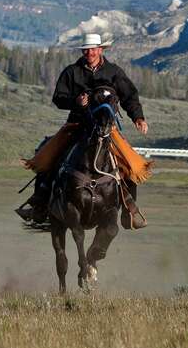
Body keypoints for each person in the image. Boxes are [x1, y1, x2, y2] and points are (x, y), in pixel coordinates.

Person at [16, 33, 150, 227]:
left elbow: (129, 96)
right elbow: (58, 98)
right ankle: (39, 203)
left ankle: (130, 209)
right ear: (83, 51)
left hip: (106, 129)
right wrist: (75, 102)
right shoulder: (72, 72)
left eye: (93, 49)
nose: (90, 52)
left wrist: (138, 117)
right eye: (86, 49)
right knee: (46, 156)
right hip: (77, 125)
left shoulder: (114, 72)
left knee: (132, 165)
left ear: (101, 49)